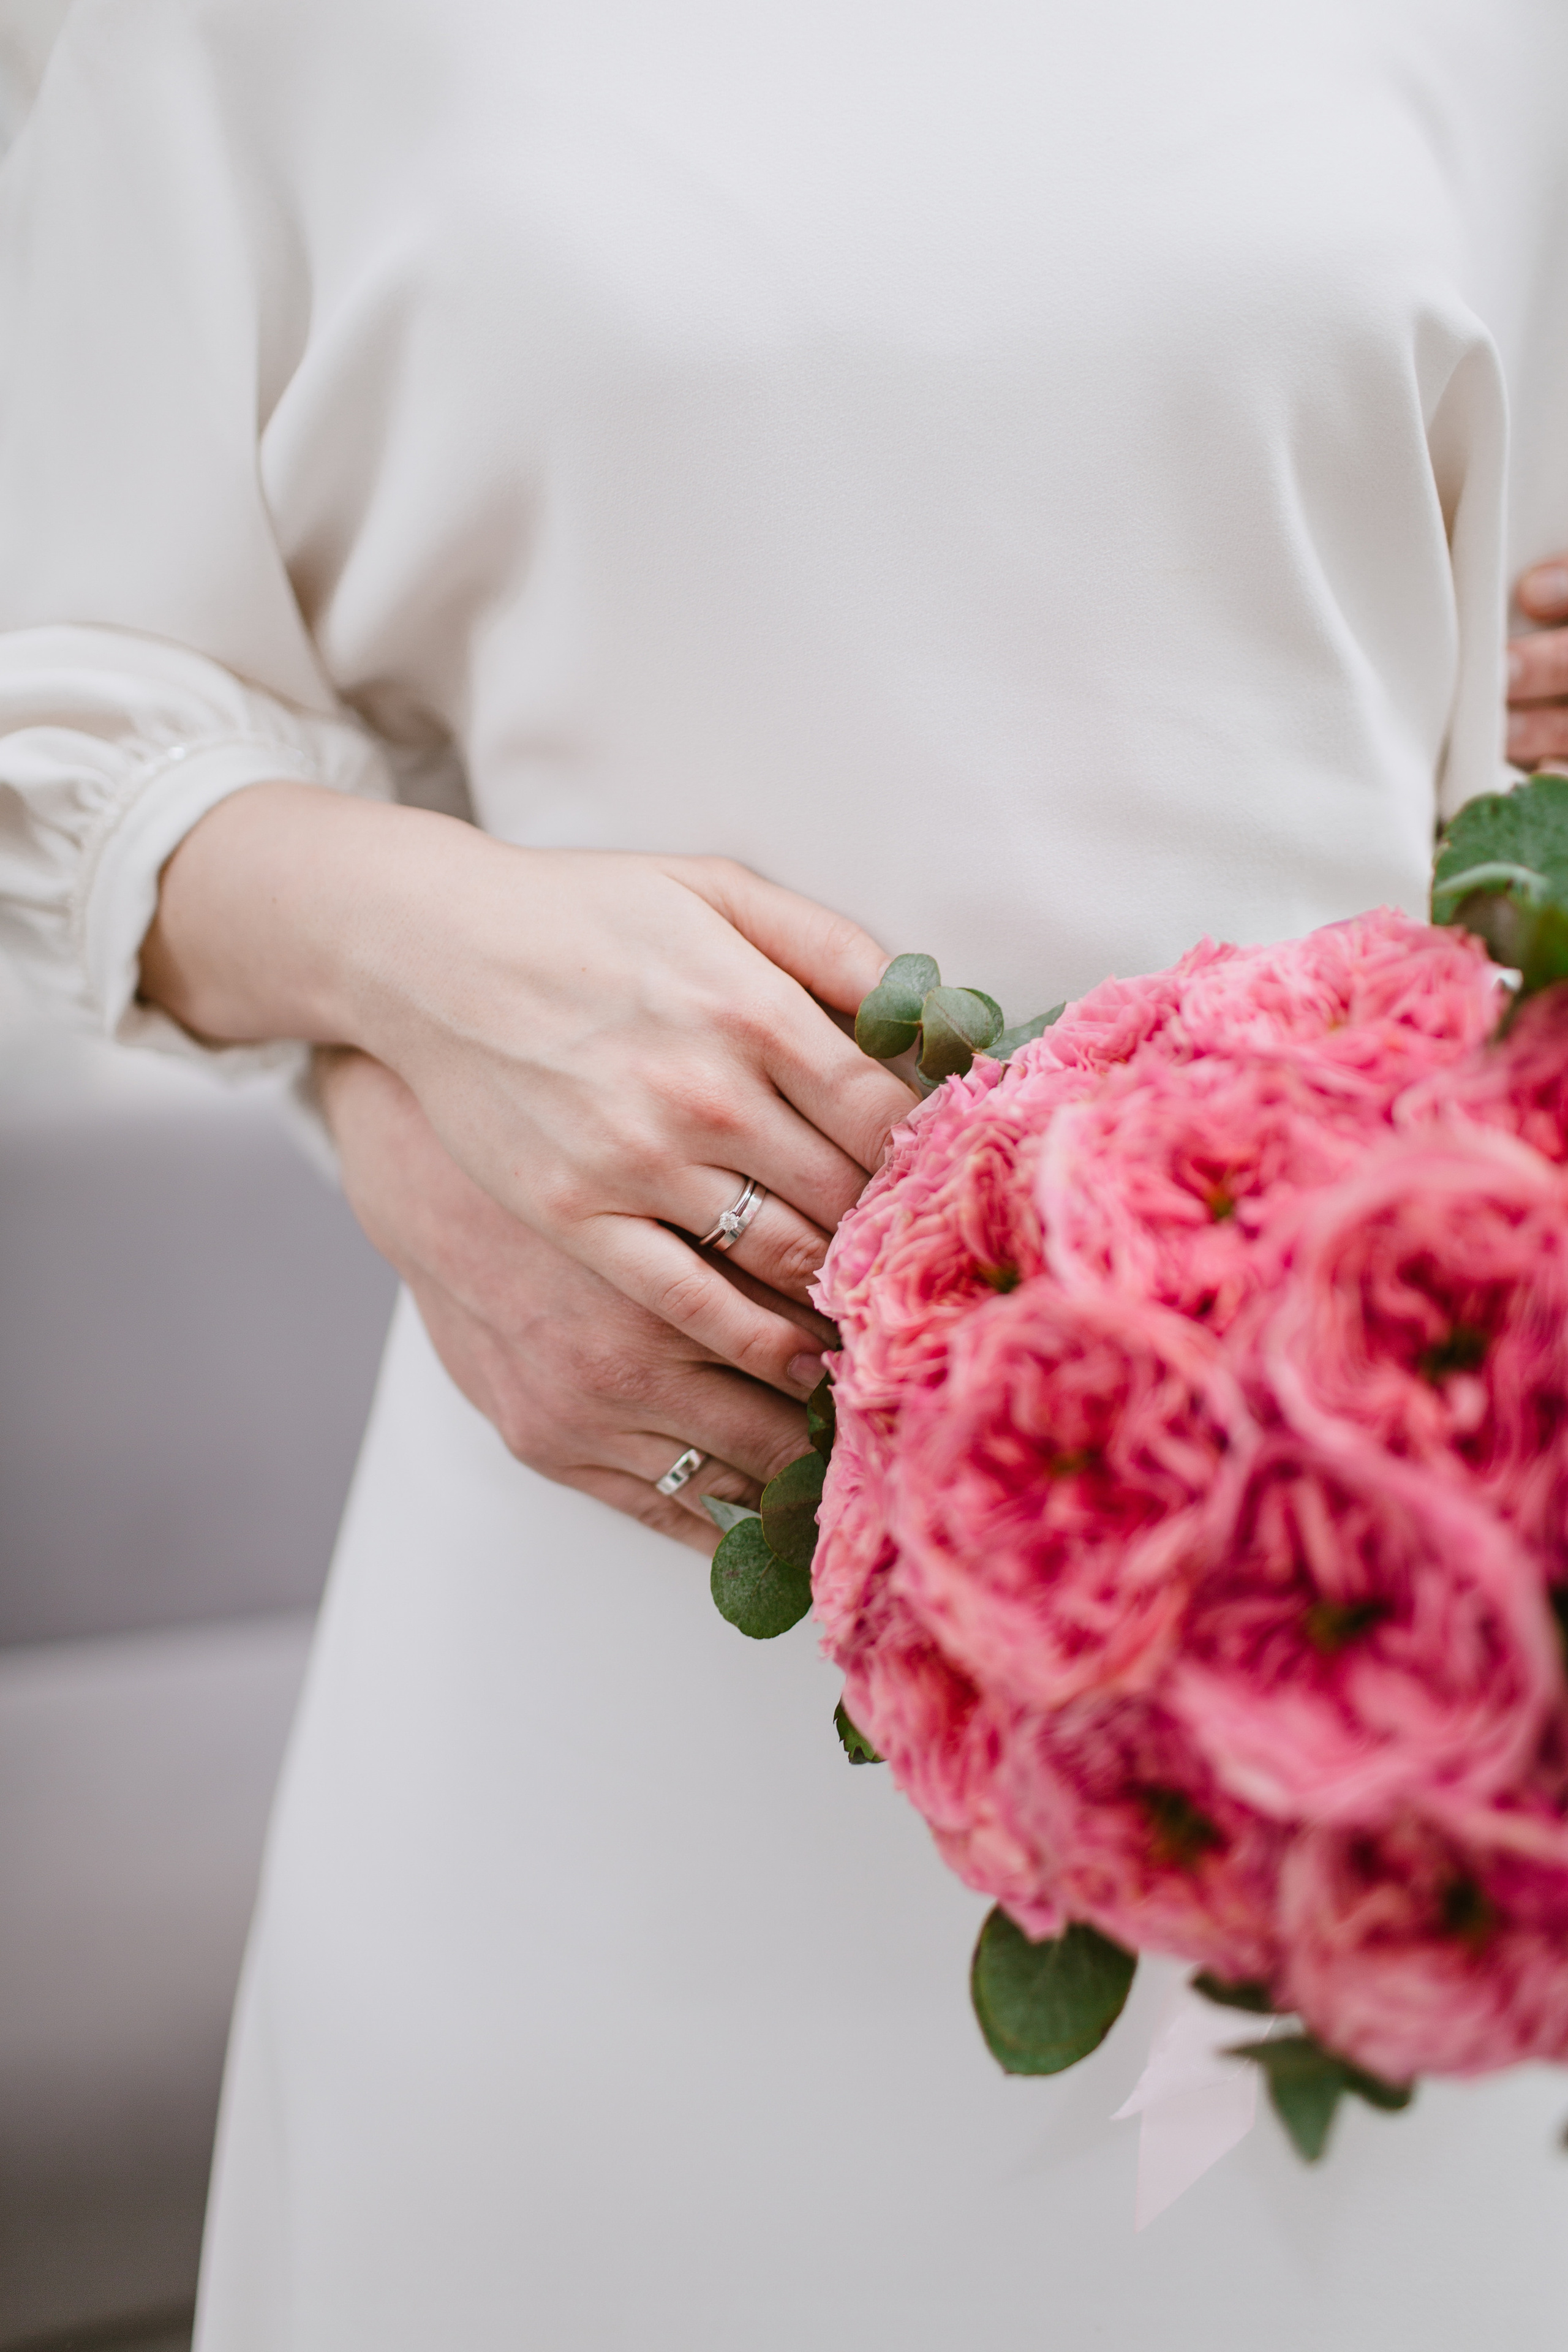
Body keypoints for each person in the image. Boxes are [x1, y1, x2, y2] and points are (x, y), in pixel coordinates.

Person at [2, 0, 1568, 2342]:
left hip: (1361, 1644)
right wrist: (415, 996)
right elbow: (64, 688)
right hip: (612, 1613)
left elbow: (1501, 807)